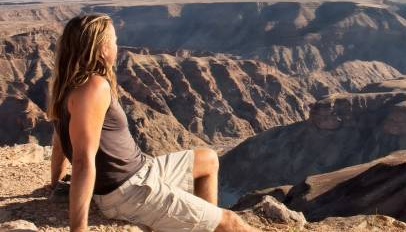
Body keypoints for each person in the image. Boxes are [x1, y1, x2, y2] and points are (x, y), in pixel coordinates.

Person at [46, 13, 258, 232]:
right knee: (230, 221)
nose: (118, 46)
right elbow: (82, 160)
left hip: (142, 170)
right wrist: (77, 229)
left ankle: (202, 225)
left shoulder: (67, 86)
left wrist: (55, 183)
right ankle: (213, 224)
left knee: (208, 159)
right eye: (115, 40)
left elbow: (60, 141)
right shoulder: (93, 88)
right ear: (102, 48)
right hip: (129, 190)